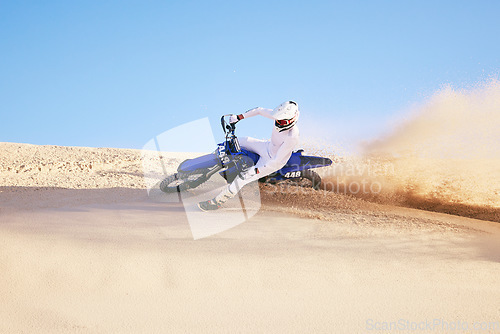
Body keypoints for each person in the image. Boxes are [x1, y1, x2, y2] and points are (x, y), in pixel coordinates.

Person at [198, 100, 300, 211]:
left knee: (242, 178)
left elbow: (276, 160)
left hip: (271, 162)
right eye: (277, 120)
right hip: (267, 147)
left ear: (292, 120)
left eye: (283, 122)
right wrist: (239, 117)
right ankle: (210, 160)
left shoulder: (292, 136)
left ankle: (216, 202)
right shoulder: (281, 117)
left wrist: (257, 171)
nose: (279, 123)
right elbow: (259, 110)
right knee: (241, 140)